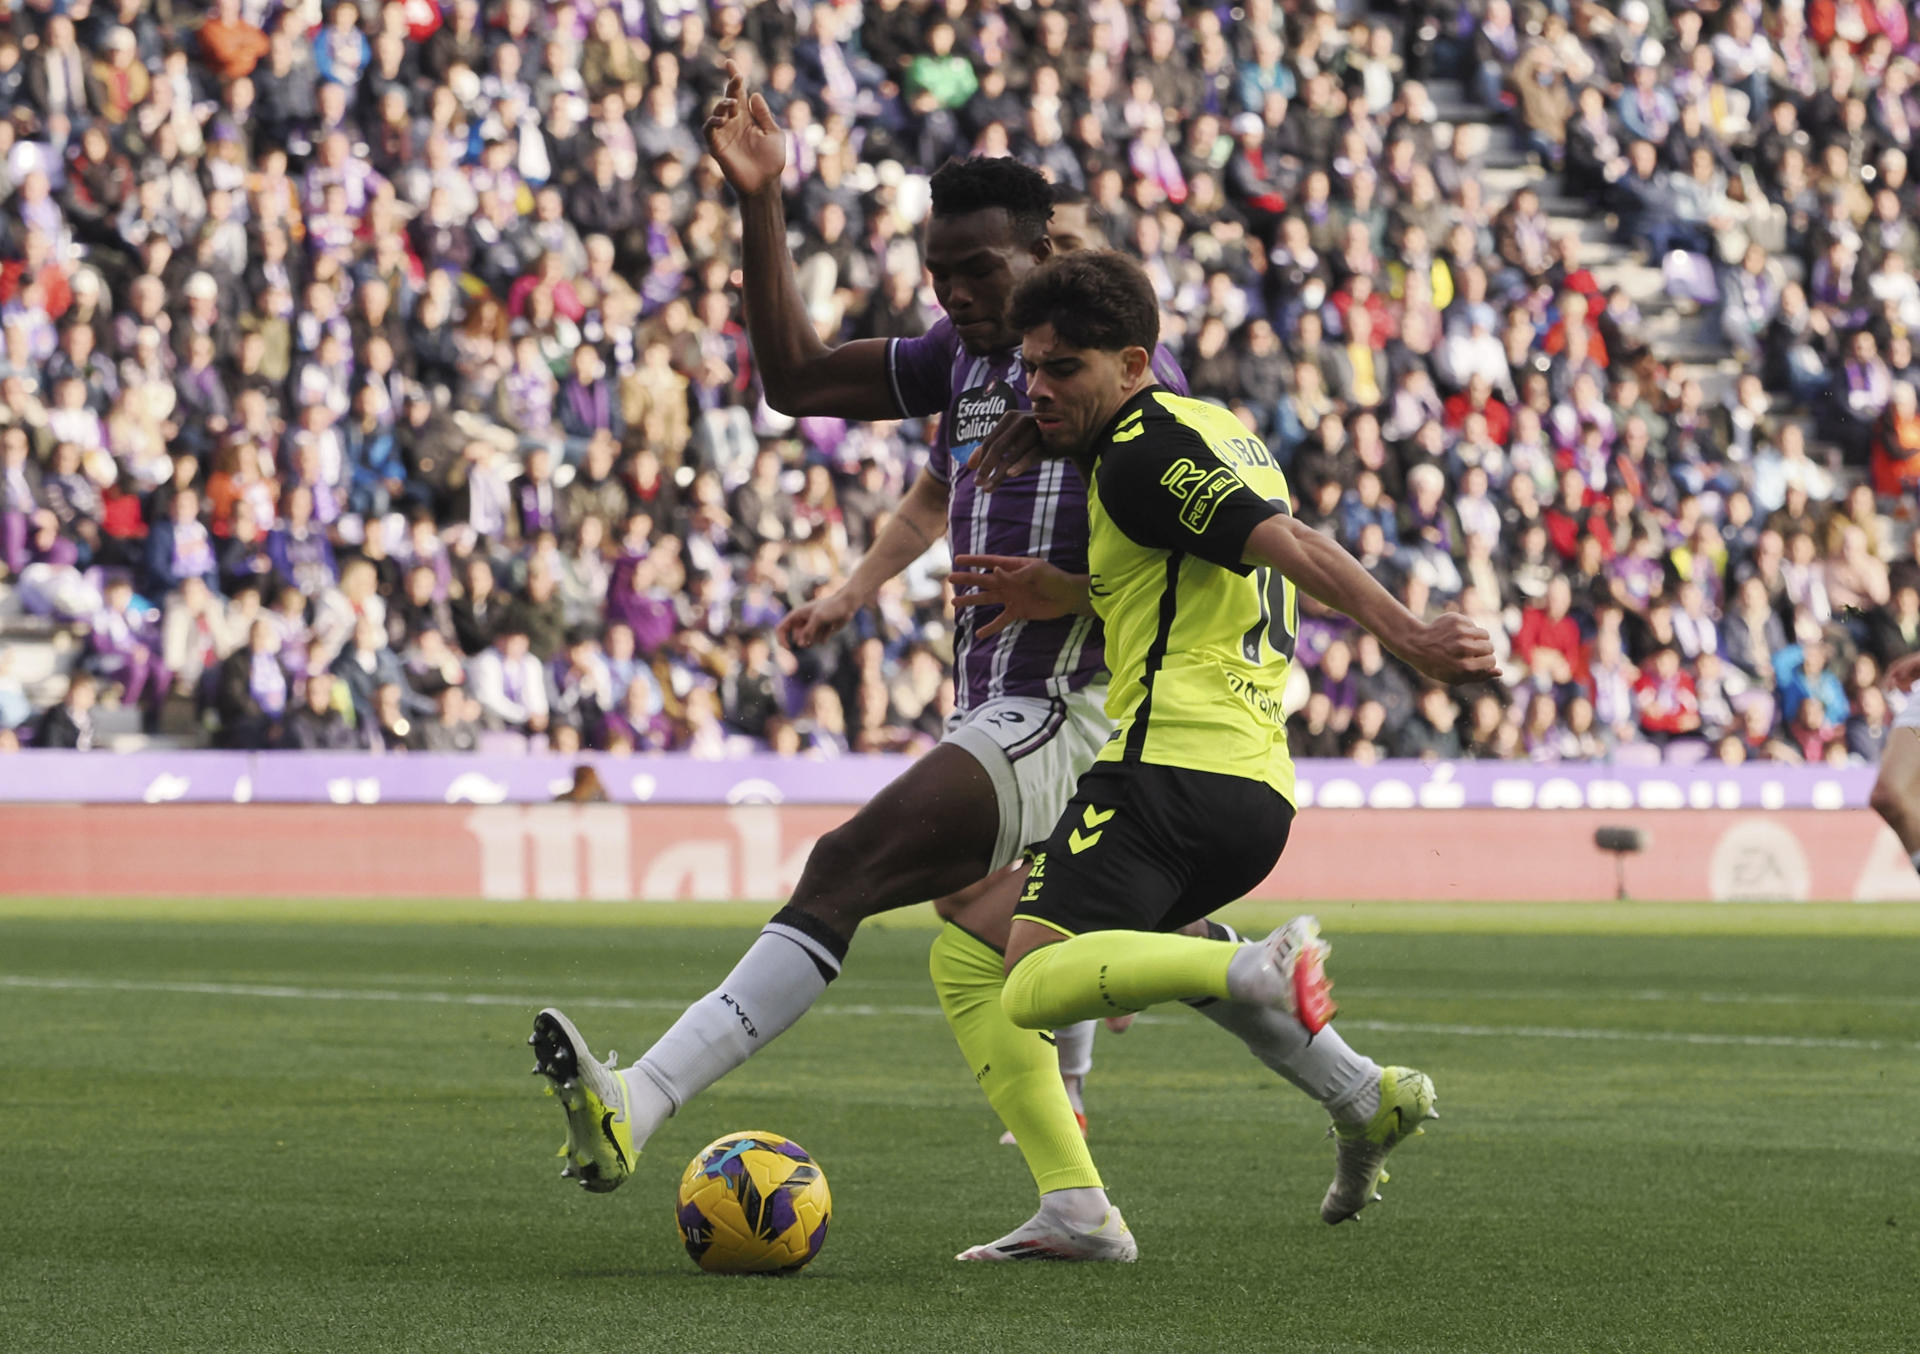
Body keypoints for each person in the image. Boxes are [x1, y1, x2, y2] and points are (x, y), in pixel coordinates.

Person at [528, 64, 1189, 1265]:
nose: (957, 296)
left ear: (1045, 248)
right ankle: (1251, 1053)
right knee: (984, 915)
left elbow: (1207, 563)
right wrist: (763, 201)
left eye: (978, 272)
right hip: (1004, 702)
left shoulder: (1127, 383)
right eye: (940, 276)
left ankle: (639, 1102)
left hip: (1071, 705)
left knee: (844, 867)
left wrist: (1069, 592)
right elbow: (791, 381)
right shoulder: (961, 363)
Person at [957, 251, 1492, 1223]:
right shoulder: (1223, 432)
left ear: (1132, 364)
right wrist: (1069, 591)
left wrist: (1411, 637)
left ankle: (1254, 970)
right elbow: (1199, 573)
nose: (1036, 387)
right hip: (1255, 795)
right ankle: (1361, 1095)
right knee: (1157, 939)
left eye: (1062, 368)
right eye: (1029, 366)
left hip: (1164, 773)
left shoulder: (1140, 452)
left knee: (1027, 977)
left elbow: (1293, 547)